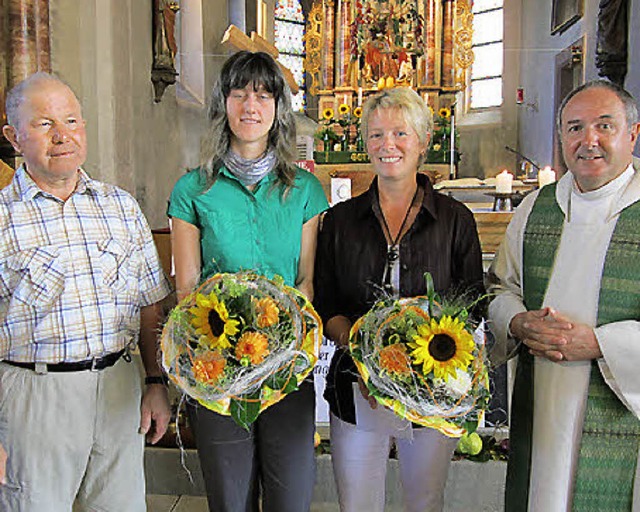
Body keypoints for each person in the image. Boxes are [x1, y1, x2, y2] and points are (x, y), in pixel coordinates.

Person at [0, 72, 173, 511]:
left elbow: (150, 304)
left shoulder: (119, 206)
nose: (63, 136)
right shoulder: (4, 218)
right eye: (44, 124)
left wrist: (155, 383)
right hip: (34, 398)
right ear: (13, 137)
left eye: (72, 121)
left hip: (119, 388)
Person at [168, 51, 328, 512]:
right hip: (217, 370)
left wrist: (280, 345)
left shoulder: (304, 189)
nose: (250, 105)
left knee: (291, 495)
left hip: (286, 367)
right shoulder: (192, 189)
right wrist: (222, 354)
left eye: (263, 94)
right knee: (230, 499)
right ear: (223, 104)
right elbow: (187, 290)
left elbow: (307, 280)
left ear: (279, 107)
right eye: (239, 93)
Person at [314, 87, 484, 512]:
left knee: (424, 502)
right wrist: (367, 353)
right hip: (357, 385)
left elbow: (474, 302)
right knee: (357, 503)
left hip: (432, 386)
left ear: (424, 141)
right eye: (375, 135)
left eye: (400, 133)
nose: (387, 145)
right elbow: (325, 304)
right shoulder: (339, 221)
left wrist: (420, 363)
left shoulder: (456, 220)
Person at [487, 79, 640, 511]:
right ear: (561, 137)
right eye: (574, 127)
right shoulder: (535, 208)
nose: (588, 140)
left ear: (632, 133)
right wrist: (517, 322)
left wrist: (601, 344)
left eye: (604, 126)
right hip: (544, 404)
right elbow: (500, 288)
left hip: (623, 403)